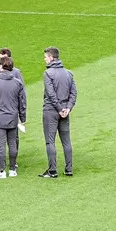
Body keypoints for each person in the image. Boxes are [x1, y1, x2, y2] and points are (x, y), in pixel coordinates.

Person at [40, 47, 77, 178]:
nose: (44, 59)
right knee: (66, 141)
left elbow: (50, 94)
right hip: (65, 112)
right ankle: (69, 169)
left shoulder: (48, 73)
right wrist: (68, 108)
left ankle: (52, 170)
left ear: (51, 57)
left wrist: (59, 108)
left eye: (45, 57)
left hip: (51, 110)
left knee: (50, 141)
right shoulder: (69, 73)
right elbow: (73, 93)